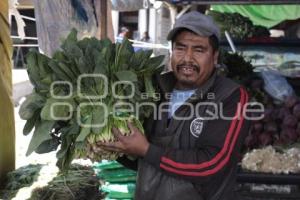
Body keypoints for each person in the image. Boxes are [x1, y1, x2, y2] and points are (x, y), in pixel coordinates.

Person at [100, 11, 251, 200]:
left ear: (214, 57)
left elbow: (211, 165)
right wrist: (119, 148)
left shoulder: (230, 96)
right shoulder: (153, 89)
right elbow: (144, 161)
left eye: (198, 50)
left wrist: (146, 150)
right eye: (180, 48)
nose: (187, 58)